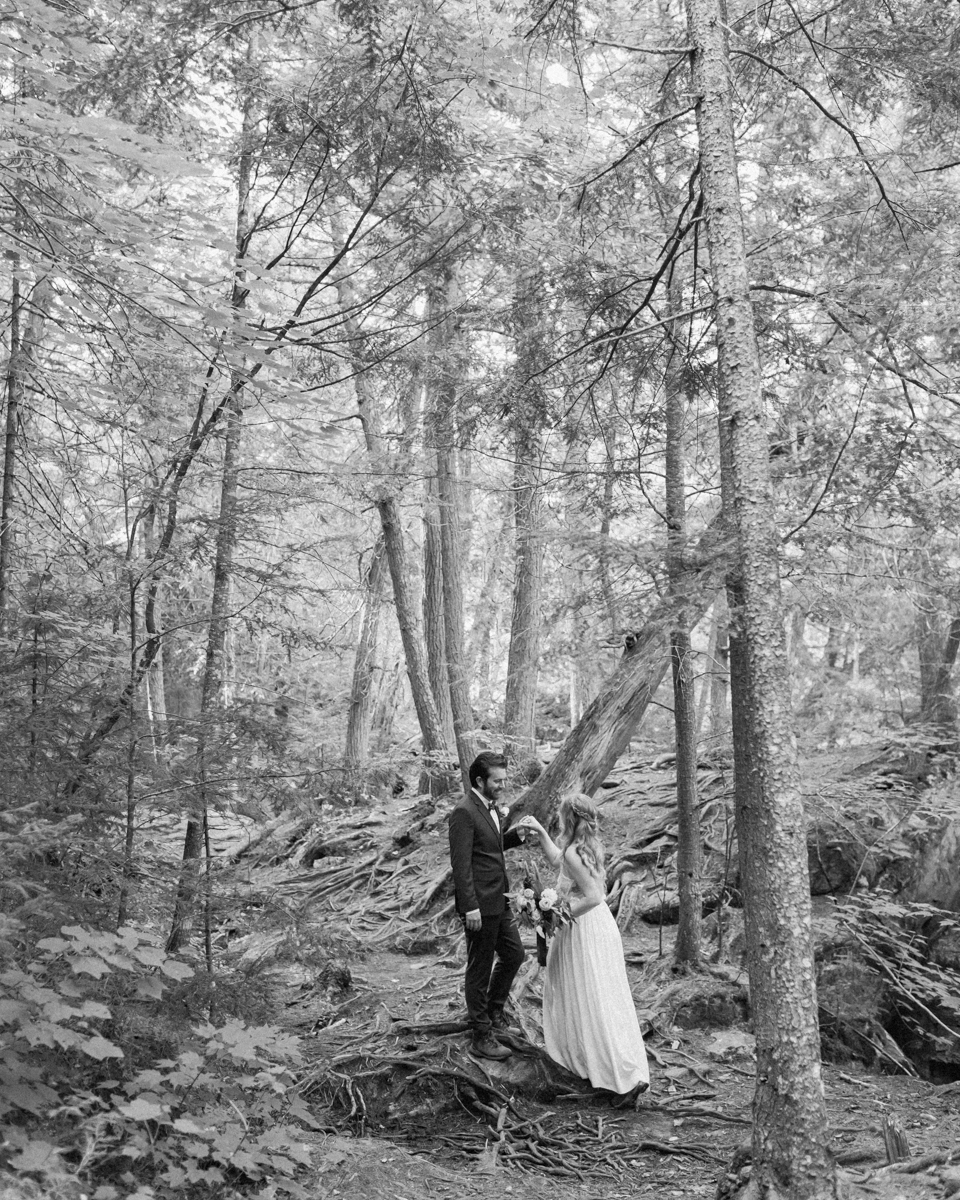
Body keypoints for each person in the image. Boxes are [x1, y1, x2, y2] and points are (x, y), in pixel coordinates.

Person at [518, 794, 649, 1097]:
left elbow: (593, 897)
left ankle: (616, 1078)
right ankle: (599, 1067)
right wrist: (539, 831)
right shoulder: (584, 847)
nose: (561, 820)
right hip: (597, 926)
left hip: (582, 927)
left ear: (572, 819)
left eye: (563, 816)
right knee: (593, 995)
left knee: (590, 997)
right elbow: (558, 860)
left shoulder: (577, 852)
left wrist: (555, 917)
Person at [448, 751, 526, 1061]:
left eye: (504, 779)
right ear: (480, 780)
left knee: (514, 954)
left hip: (500, 899)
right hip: (479, 905)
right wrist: (469, 907)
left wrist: (516, 836)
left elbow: (490, 846)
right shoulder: (464, 812)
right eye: (498, 780)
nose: (503, 785)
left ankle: (494, 1013)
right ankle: (481, 1035)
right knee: (479, 967)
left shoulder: (490, 808)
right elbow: (461, 864)